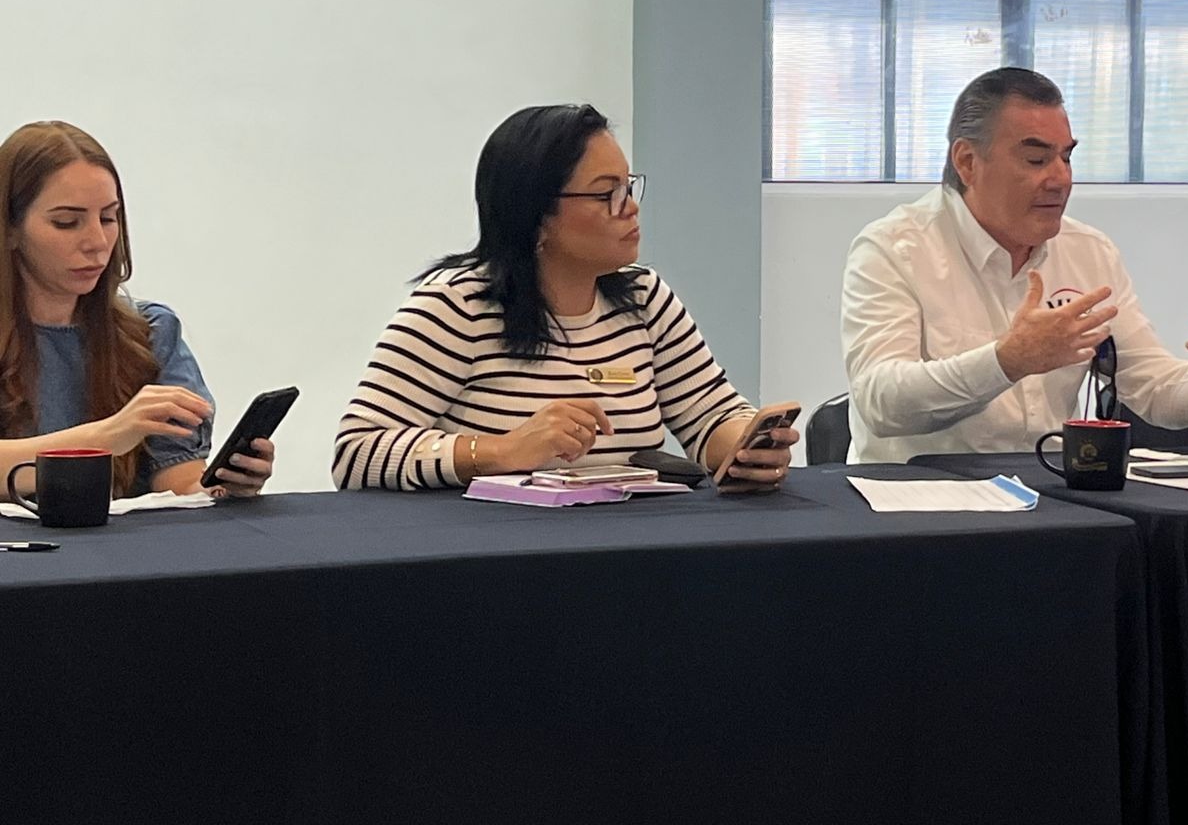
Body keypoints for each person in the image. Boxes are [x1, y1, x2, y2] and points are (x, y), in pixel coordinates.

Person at [334, 104, 794, 491]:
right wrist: (501, 450)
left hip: (636, 543)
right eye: (606, 194)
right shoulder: (458, 308)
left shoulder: (645, 299)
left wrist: (747, 445)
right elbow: (356, 454)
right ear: (537, 215)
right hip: (499, 549)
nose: (630, 207)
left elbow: (710, 413)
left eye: (628, 187)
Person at [840, 67, 1188, 464]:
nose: (1061, 179)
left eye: (1067, 158)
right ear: (967, 162)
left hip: (1048, 492)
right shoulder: (894, 248)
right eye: (1036, 160)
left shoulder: (1088, 252)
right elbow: (880, 402)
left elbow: (1154, 390)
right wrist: (1006, 361)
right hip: (917, 497)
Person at [0, 121, 275, 499]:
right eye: (67, 223)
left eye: (108, 218)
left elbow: (180, 487)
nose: (98, 241)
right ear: (9, 230)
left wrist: (226, 487)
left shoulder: (152, 332)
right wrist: (108, 436)